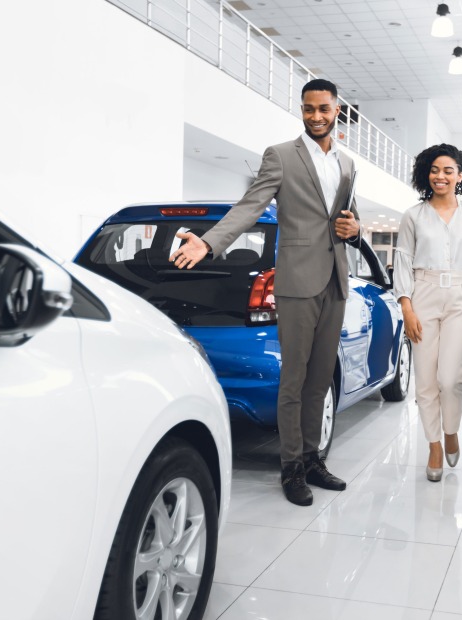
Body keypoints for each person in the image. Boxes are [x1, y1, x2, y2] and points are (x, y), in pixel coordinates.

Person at [171, 78, 361, 506]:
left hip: (336, 280)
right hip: (296, 282)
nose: (316, 116)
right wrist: (210, 241)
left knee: (318, 381)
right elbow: (250, 205)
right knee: (293, 380)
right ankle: (291, 467)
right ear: (302, 110)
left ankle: (313, 458)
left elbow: (349, 218)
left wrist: (357, 229)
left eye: (324, 109)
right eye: (309, 109)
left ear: (336, 111)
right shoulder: (280, 156)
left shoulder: (347, 164)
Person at [392, 144, 462, 482]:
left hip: (459, 294)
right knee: (426, 380)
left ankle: (452, 430)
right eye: (434, 170)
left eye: (448, 170)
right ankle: (434, 445)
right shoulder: (413, 215)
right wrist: (406, 307)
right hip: (422, 293)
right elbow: (402, 262)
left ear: (460, 175)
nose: (440, 176)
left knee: (450, 378)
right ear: (427, 173)